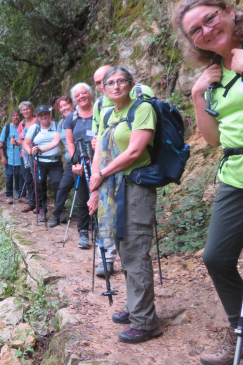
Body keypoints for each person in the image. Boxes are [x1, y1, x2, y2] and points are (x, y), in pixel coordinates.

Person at [174, 1, 243, 363]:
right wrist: (197, 95)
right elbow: (213, 138)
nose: (206, 30)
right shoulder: (215, 75)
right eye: (195, 30)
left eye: (210, 18)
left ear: (230, 11)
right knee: (216, 257)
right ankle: (241, 333)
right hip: (234, 175)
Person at [87, 66, 161, 344]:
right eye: (110, 83)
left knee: (136, 251)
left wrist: (102, 175)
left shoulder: (141, 109)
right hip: (113, 189)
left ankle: (145, 323)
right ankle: (135, 307)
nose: (116, 86)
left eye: (121, 81)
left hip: (136, 186)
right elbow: (100, 151)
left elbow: (134, 150)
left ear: (131, 84)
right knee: (124, 247)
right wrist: (95, 186)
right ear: (103, 88)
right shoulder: (108, 114)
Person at [52, 87, 95, 250]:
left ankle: (99, 230)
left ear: (90, 94)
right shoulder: (71, 118)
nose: (81, 96)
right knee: (83, 197)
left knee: (102, 196)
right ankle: (83, 232)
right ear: (74, 99)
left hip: (100, 160)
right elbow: (69, 142)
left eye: (84, 93)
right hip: (81, 162)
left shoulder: (100, 112)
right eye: (78, 95)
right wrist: (76, 162)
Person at [89, 65, 119, 277]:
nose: (102, 86)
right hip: (107, 168)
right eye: (98, 83)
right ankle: (106, 259)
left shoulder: (139, 94)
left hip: (136, 168)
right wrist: (95, 181)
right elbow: (98, 145)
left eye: (105, 80)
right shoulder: (100, 105)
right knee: (105, 212)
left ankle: (128, 259)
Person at [23, 105, 64, 223]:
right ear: (38, 117)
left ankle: (60, 209)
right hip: (39, 162)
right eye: (41, 115)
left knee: (58, 185)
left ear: (50, 114)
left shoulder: (57, 126)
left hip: (55, 161)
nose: (44, 116)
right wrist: (30, 151)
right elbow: (26, 143)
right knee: (40, 186)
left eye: (46, 114)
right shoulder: (34, 128)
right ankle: (41, 209)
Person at [48, 96, 74, 228]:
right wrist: (40, 149)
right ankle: (56, 215)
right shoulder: (61, 123)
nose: (64, 108)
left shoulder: (81, 118)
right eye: (61, 106)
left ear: (72, 104)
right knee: (62, 188)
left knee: (85, 192)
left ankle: (89, 220)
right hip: (70, 162)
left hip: (85, 161)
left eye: (66, 105)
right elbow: (55, 141)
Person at [0, 110, 24, 204]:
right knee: (9, 176)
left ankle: (21, 195)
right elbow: (1, 143)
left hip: (21, 157)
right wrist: (3, 157)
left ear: (20, 117)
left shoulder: (23, 126)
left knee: (21, 177)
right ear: (11, 117)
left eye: (17, 115)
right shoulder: (7, 128)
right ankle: (9, 195)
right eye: (13, 115)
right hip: (10, 157)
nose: (15, 117)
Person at [18, 101, 38, 213]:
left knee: (37, 179)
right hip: (24, 155)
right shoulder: (22, 124)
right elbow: (21, 140)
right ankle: (31, 203)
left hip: (36, 154)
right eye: (23, 110)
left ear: (32, 109)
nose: (25, 111)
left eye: (27, 109)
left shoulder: (38, 120)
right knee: (28, 179)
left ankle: (40, 203)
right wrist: (16, 142)